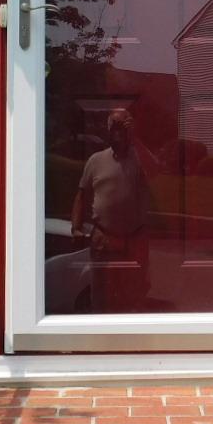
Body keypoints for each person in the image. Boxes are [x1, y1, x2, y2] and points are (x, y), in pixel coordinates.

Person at [70, 109, 153, 309]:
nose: (118, 132)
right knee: (101, 297)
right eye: (114, 127)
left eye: (123, 126)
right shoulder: (96, 160)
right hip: (103, 241)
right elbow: (82, 195)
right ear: (108, 131)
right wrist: (76, 227)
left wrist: (136, 139)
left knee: (134, 298)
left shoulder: (140, 158)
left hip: (134, 240)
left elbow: (156, 171)